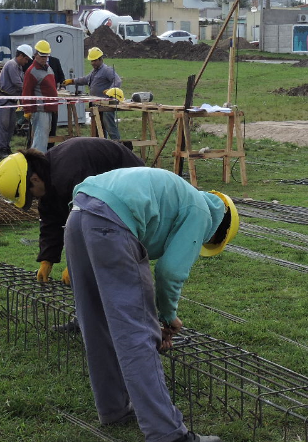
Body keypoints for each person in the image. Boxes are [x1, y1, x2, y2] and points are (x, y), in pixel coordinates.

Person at [64, 167, 239, 442]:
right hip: (111, 222)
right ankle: (167, 434)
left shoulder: (181, 196)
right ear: (220, 229)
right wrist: (167, 317)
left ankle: (113, 408)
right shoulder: (204, 213)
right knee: (137, 335)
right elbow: (170, 270)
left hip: (78, 214)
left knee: (95, 322)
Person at [0, 137, 144, 286]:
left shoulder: (70, 176)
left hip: (133, 187)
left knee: (115, 244)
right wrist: (47, 259)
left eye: (30, 195)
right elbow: (51, 220)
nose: (33, 200)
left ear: (34, 179)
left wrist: (76, 265)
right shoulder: (48, 174)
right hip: (107, 193)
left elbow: (90, 222)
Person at [69, 46, 122, 140]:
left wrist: (111, 90)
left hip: (107, 105)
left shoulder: (107, 70)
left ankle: (119, 147)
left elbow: (117, 81)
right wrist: (73, 81)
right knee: (99, 129)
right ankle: (102, 147)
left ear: (101, 59)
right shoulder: (94, 72)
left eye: (95, 60)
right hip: (96, 105)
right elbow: (85, 79)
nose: (93, 63)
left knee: (110, 128)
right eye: (91, 61)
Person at [0, 44, 33, 158]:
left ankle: (6, 147)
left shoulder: (18, 67)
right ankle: (0, 149)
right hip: (4, 100)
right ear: (20, 55)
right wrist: (31, 90)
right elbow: (18, 83)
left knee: (10, 126)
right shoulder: (12, 65)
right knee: (3, 125)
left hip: (11, 101)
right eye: (26, 59)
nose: (26, 62)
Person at [22, 39, 58, 154]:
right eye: (42, 56)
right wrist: (27, 109)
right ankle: (37, 161)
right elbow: (26, 92)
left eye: (46, 56)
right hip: (40, 110)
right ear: (36, 54)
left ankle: (44, 159)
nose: (44, 58)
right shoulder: (31, 71)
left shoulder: (48, 68)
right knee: (40, 140)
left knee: (48, 138)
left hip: (51, 108)